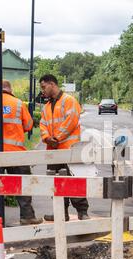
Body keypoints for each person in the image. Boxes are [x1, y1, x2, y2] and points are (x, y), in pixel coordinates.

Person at [0, 80, 43, 227]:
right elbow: (29, 125)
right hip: (14, 152)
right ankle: (27, 216)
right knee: (22, 182)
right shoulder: (18, 103)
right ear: (10, 90)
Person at [39, 74, 90, 222]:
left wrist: (57, 138)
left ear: (52, 84)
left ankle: (82, 212)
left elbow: (72, 120)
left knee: (74, 182)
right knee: (56, 183)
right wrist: (47, 138)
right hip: (54, 152)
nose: (42, 91)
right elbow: (43, 125)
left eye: (44, 87)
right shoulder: (47, 106)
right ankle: (61, 213)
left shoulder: (69, 100)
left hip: (69, 150)